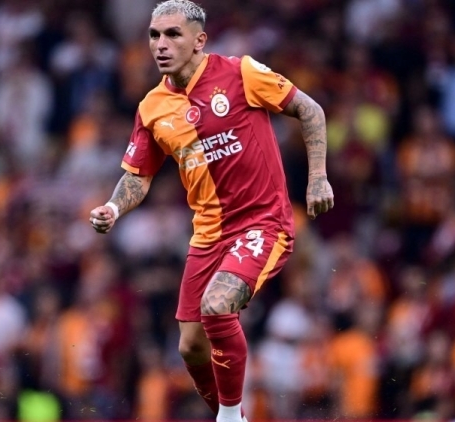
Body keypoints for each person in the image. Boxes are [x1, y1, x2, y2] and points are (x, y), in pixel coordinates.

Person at [88, 1, 334, 421]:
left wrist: (317, 178)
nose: (160, 44)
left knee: (217, 306)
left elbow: (309, 110)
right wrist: (113, 206)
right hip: (207, 236)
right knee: (191, 347)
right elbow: (138, 177)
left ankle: (231, 417)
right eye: (154, 35)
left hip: (262, 223)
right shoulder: (152, 107)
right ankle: (232, 414)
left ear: (199, 40)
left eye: (173, 34)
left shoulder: (241, 73)